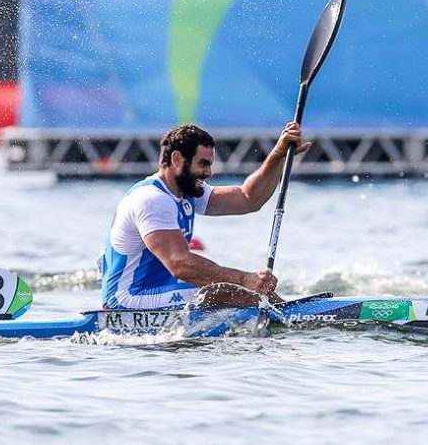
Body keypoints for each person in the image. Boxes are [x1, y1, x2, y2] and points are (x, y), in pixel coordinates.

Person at [100, 122, 310, 309]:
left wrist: (279, 155)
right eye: (203, 164)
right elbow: (179, 263)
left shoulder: (188, 191)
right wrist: (244, 279)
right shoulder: (152, 199)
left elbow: (249, 198)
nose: (209, 173)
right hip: (127, 300)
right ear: (177, 159)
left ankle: (286, 312)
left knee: (243, 292)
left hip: (161, 290)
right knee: (222, 292)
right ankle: (292, 318)